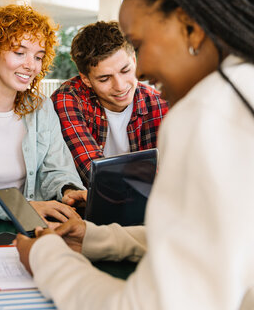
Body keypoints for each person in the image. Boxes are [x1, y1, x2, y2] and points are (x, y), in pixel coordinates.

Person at [15, 0, 254, 309]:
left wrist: (46, 257)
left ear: (190, 27)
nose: (139, 74)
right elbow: (209, 238)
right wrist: (100, 239)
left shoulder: (206, 112)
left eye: (139, 47)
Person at [0, 4, 87, 223]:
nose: (31, 65)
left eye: (38, 57)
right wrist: (24, 209)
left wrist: (68, 191)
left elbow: (58, 170)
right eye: (20, 53)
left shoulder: (42, 109)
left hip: (37, 226)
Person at [51, 21, 168, 186]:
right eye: (104, 78)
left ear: (134, 60)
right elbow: (94, 173)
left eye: (125, 70)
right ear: (86, 79)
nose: (120, 86)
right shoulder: (69, 98)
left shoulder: (160, 104)